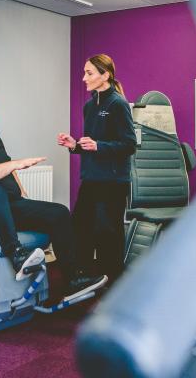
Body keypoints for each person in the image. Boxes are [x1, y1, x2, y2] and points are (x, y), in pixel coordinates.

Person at [0, 94, 108, 300]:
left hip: (3, 207)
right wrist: (15, 164)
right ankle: (17, 255)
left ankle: (73, 279)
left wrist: (23, 195)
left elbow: (8, 170)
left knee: (59, 213)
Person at [57, 54, 136, 284]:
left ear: (106, 75)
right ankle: (83, 278)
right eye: (84, 72)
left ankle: (112, 283)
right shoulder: (90, 105)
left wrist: (99, 145)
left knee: (107, 235)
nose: (84, 78)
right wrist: (74, 146)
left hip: (113, 182)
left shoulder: (118, 104)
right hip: (91, 179)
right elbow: (90, 146)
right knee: (80, 228)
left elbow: (129, 144)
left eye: (89, 73)